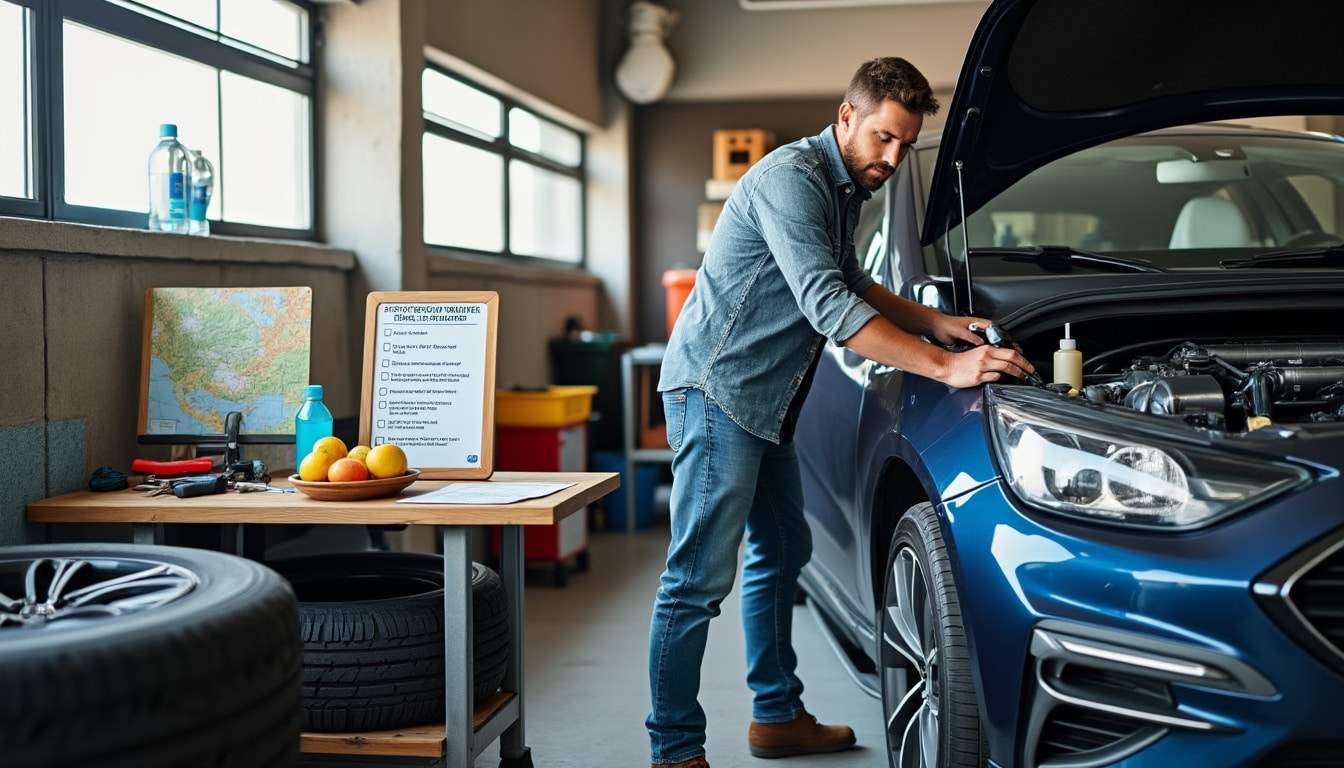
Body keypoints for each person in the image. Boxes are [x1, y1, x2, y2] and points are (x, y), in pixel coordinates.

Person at [647, 56, 1036, 768]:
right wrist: (947, 367)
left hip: (766, 403)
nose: (892, 158)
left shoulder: (846, 184)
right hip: (717, 393)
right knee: (697, 577)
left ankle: (775, 715)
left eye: (905, 144)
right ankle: (674, 749)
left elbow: (854, 279)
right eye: (884, 137)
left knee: (784, 551)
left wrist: (936, 324)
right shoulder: (789, 180)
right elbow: (829, 306)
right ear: (847, 116)